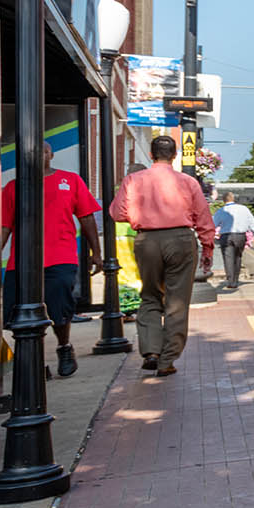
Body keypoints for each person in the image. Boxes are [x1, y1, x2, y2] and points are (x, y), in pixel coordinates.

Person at [109, 135, 215, 376]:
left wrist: (143, 213)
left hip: (147, 240)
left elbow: (117, 213)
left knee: (150, 295)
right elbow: (203, 217)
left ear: (151, 154)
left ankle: (151, 351)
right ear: (175, 155)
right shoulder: (187, 182)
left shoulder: (133, 180)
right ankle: (167, 359)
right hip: (180, 239)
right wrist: (207, 247)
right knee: (177, 300)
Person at [0, 153, 102, 377]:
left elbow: (87, 217)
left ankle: (64, 347)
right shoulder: (13, 188)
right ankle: (35, 360)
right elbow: (4, 227)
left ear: (50, 155)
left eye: (43, 151)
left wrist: (97, 253)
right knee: (20, 315)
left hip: (61, 257)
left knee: (59, 309)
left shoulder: (71, 180)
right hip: (21, 261)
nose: (37, 155)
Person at [212, 191, 254, 291]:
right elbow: (252, 222)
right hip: (240, 236)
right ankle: (236, 280)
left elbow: (214, 224)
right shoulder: (243, 209)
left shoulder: (221, 210)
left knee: (228, 258)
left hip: (226, 236)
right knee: (238, 257)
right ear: (233, 199)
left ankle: (231, 281)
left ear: (224, 200)